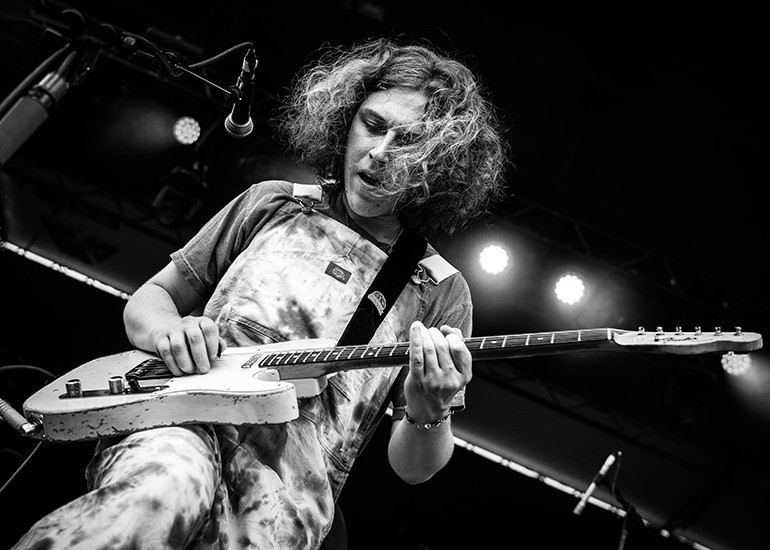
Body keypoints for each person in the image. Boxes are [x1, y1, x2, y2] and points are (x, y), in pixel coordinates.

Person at [12, 36, 509, 549]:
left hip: (287, 495)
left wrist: (431, 409)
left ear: (439, 162)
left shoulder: (439, 288)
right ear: (346, 120)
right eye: (373, 125)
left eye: (408, 142)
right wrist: (169, 332)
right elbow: (150, 300)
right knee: (162, 490)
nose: (380, 153)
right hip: (181, 424)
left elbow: (413, 468)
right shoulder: (272, 204)